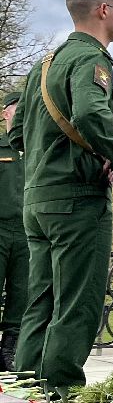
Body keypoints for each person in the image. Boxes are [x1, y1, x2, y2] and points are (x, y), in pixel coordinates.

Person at [10, 0, 113, 393]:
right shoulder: (91, 60)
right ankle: (62, 397)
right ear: (104, 9)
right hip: (77, 200)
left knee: (40, 304)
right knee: (77, 304)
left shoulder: (44, 63)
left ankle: (24, 397)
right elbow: (89, 115)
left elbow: (16, 134)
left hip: (37, 200)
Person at [0, 92, 27, 372]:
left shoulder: (37, 149)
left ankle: (9, 352)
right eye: (17, 109)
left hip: (26, 231)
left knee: (22, 292)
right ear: (6, 113)